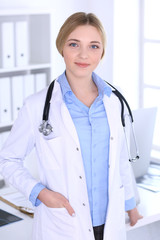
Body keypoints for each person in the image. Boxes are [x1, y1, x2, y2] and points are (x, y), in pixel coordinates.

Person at [0, 12, 142, 240]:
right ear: (62, 48)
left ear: (102, 53)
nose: (83, 54)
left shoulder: (112, 102)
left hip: (110, 225)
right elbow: (7, 160)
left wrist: (130, 205)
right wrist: (40, 193)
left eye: (94, 46)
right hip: (63, 225)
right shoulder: (37, 106)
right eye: (74, 44)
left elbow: (119, 159)